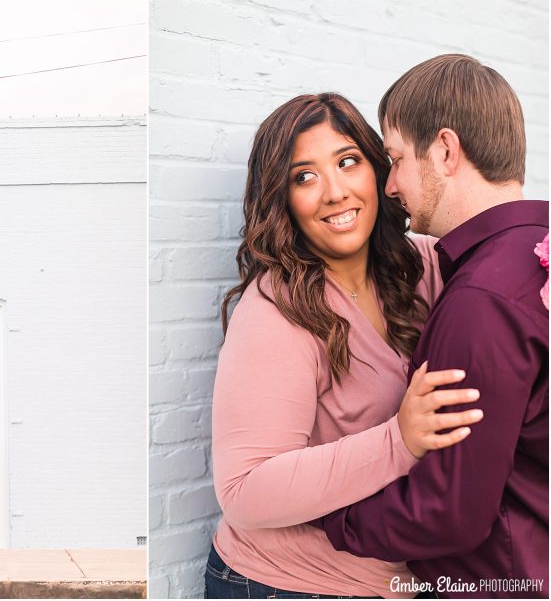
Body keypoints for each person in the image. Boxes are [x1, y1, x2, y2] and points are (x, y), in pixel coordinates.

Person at [206, 92, 485, 599]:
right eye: (304, 177)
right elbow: (244, 492)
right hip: (286, 585)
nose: (335, 192)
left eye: (348, 162)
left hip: (402, 578)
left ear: (379, 171)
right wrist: (399, 440)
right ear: (283, 198)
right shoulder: (276, 310)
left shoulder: (422, 265)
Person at [316, 55, 548, 599]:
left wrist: (329, 516)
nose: (390, 184)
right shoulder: (534, 257)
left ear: (445, 150)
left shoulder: (482, 301)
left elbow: (451, 513)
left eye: (395, 159)